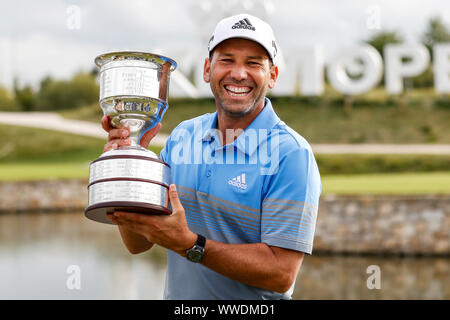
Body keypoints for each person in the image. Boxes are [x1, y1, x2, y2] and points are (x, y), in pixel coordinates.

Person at [103, 13, 322, 300]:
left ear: (273, 76)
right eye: (227, 60)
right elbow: (138, 244)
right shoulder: (183, 136)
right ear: (208, 69)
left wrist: (191, 245)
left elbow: (280, 274)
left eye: (254, 63)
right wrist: (130, 166)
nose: (239, 73)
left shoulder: (292, 154)